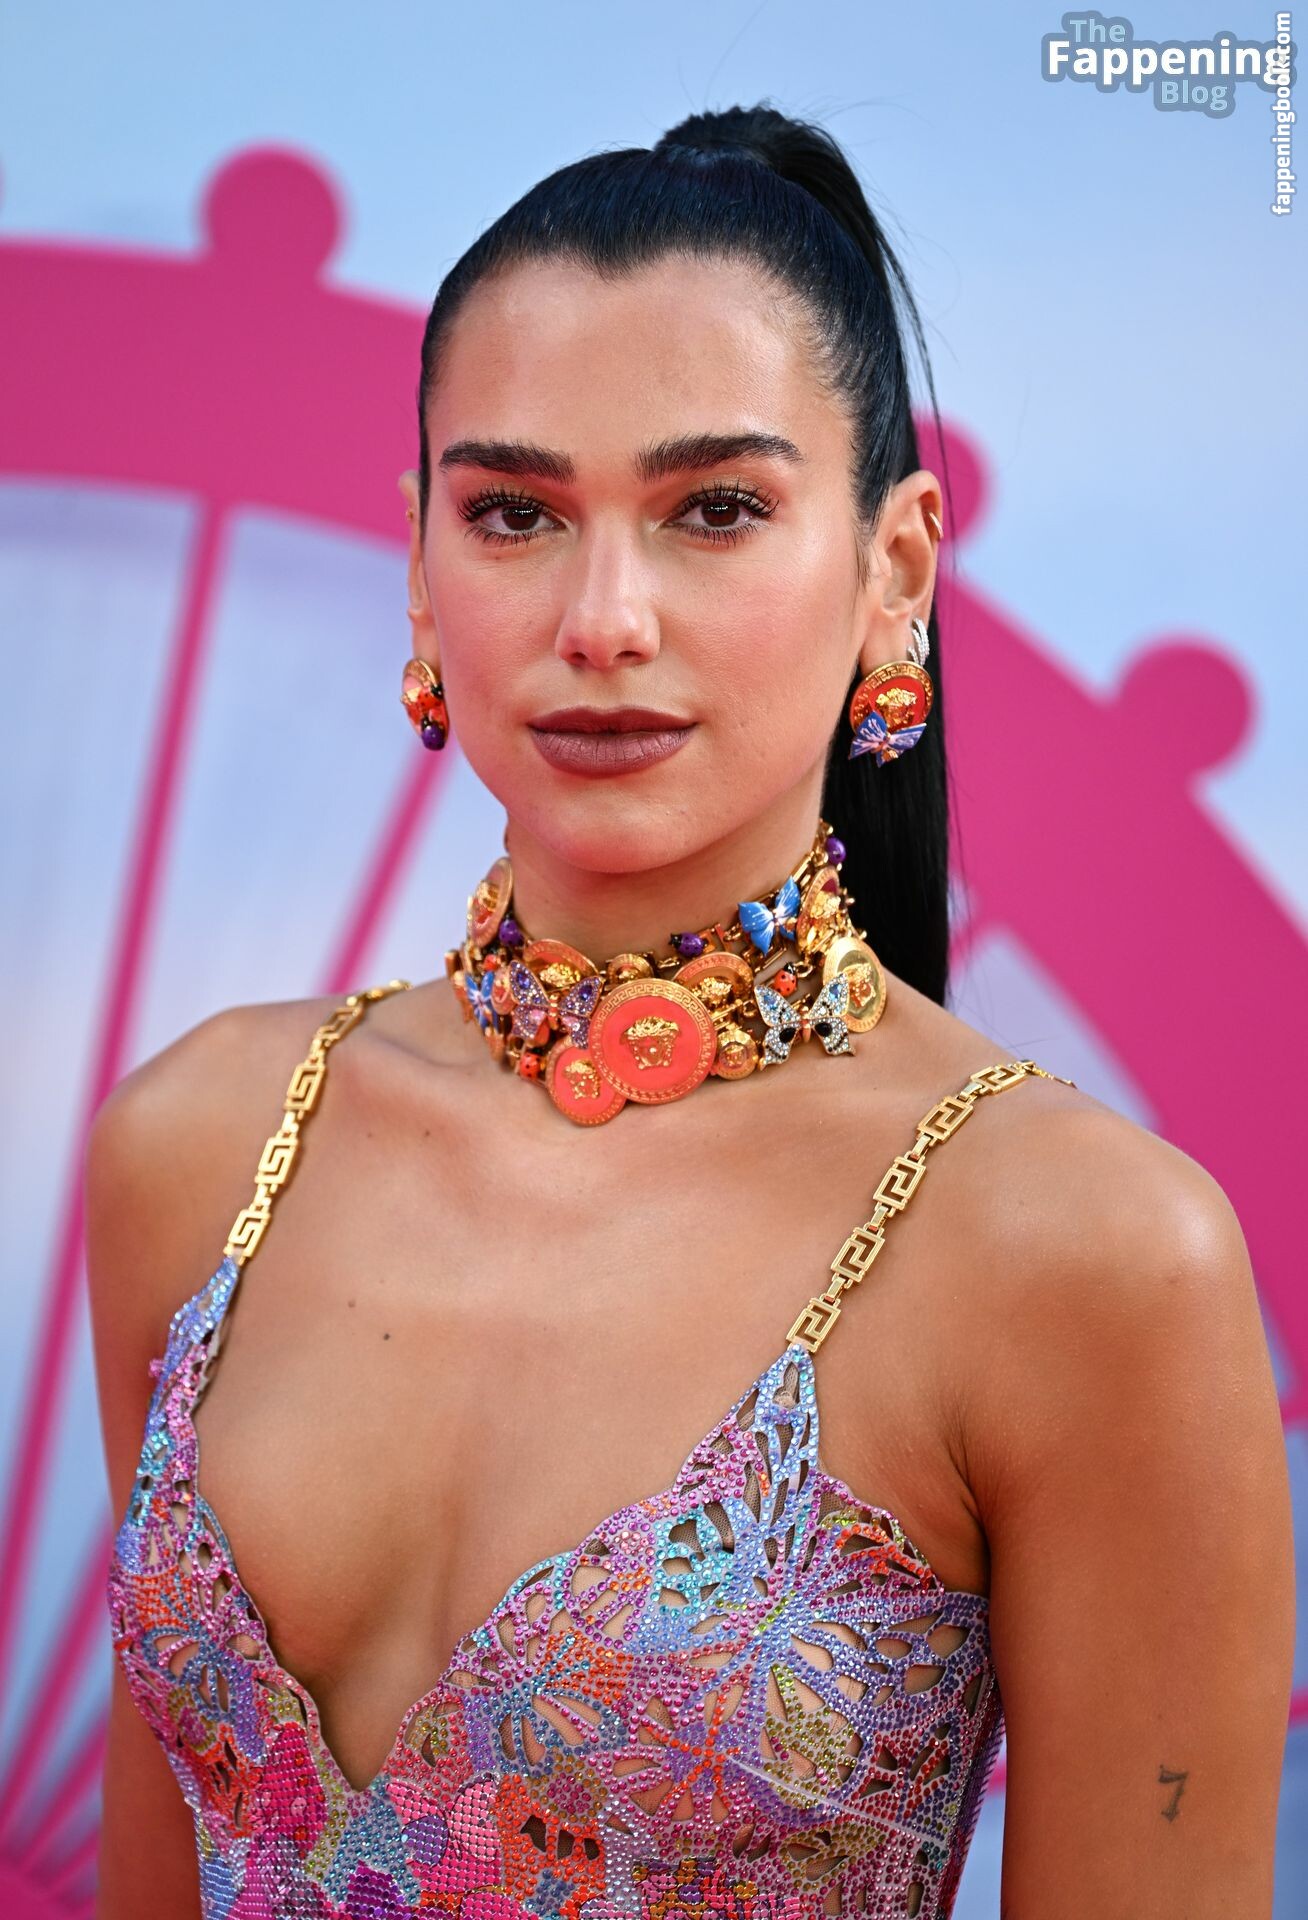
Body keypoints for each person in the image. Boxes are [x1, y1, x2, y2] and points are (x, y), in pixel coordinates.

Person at [87, 103, 1293, 1920]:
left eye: (714, 509)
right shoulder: (203, 1147)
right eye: (513, 513)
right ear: (418, 562)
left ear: (896, 571)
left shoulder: (1085, 1252)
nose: (605, 618)